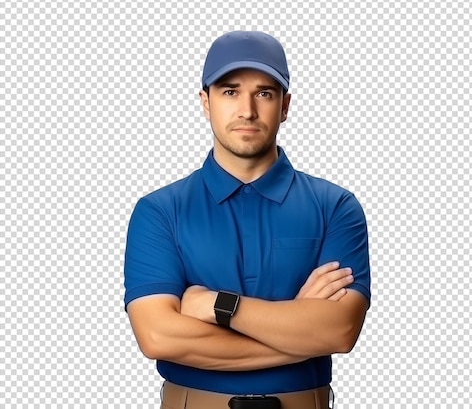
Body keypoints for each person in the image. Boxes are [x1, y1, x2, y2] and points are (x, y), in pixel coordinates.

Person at [124, 30, 371, 409]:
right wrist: (298, 333)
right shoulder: (159, 211)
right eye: (230, 91)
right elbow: (158, 337)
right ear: (205, 102)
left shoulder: (335, 206)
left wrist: (217, 306)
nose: (247, 110)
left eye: (264, 93)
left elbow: (339, 330)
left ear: (285, 106)